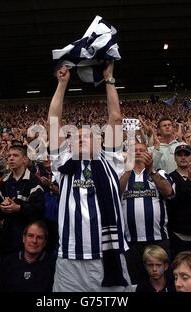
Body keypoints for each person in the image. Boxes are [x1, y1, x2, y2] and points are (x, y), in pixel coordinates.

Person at [48, 62, 131, 291]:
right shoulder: (63, 163)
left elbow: (115, 118)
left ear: (101, 142)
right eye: (76, 136)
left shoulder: (112, 161)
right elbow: (53, 121)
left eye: (88, 135)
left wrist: (109, 80)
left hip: (107, 256)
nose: (81, 138)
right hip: (70, 258)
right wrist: (62, 83)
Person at [120, 142, 174, 284]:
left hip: (158, 238)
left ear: (149, 154)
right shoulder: (122, 174)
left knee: (161, 280)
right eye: (134, 150)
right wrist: (127, 169)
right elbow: (115, 193)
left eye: (142, 150)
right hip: (131, 241)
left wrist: (151, 171)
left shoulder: (160, 173)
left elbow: (168, 192)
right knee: (134, 281)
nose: (138, 152)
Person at [0, 145, 45, 256]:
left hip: (27, 240)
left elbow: (39, 211)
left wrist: (19, 208)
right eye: (9, 156)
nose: (11, 158)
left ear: (25, 159)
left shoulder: (34, 182)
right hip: (6, 238)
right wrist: (2, 207)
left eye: (15, 155)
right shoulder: (4, 181)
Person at [0, 221, 56, 292]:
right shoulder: (8, 262)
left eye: (39, 237)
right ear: (24, 238)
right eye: (30, 236)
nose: (34, 241)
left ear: (45, 242)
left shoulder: (53, 265)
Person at [168, 144, 191, 256]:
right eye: (179, 155)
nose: (183, 157)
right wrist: (190, 182)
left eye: (186, 154)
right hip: (179, 234)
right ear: (174, 157)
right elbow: (175, 202)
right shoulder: (170, 177)